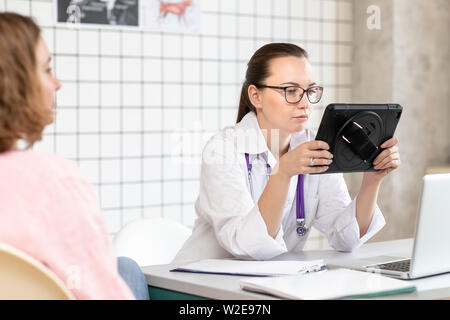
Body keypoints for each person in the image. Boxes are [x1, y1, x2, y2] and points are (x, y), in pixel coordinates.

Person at [173, 43, 401, 262]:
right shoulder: (223, 149)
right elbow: (246, 247)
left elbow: (346, 238)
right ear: (256, 96)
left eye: (309, 90)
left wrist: (372, 179)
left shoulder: (316, 145)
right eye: (291, 91)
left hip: (269, 283)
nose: (305, 104)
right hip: (200, 282)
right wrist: (282, 173)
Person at [0, 12, 148, 300]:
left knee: (125, 267)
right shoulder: (52, 181)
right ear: (14, 86)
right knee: (126, 270)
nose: (57, 83)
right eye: (46, 70)